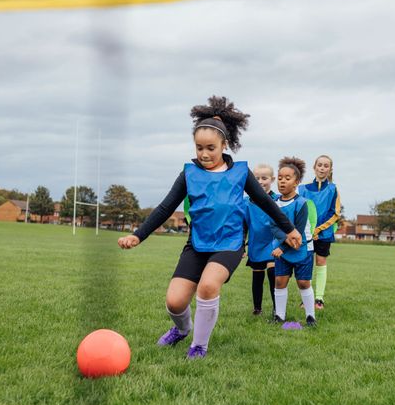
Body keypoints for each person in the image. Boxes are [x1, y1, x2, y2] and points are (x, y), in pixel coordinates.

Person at [118, 96, 302, 358]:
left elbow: (265, 203)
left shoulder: (240, 172)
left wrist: (290, 229)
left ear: (224, 145)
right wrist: (138, 236)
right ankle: (182, 330)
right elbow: (165, 208)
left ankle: (199, 346)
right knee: (175, 301)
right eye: (199, 147)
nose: (204, 154)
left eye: (210, 148)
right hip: (197, 243)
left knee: (207, 286)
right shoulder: (189, 174)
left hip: (229, 243)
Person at [270, 157, 318, 327]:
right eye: (280, 178)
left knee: (303, 283)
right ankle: (279, 316)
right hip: (282, 249)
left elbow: (297, 231)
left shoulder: (302, 203)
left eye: (287, 178)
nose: (282, 181)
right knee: (280, 281)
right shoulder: (274, 203)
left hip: (302, 247)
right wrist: (282, 245)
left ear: (296, 182)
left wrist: (283, 246)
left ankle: (311, 316)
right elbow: (273, 226)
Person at [298, 155, 341, 310]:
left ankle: (319, 299)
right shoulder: (302, 189)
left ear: (330, 169)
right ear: (314, 167)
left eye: (326, 166)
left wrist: (318, 229)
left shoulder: (332, 189)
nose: (322, 168)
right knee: (306, 263)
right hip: (306, 233)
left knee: (321, 263)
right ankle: (306, 299)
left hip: (324, 233)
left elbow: (335, 212)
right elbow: (300, 210)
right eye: (320, 165)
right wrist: (308, 230)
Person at [245, 164, 278, 316]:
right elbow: (243, 225)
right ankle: (257, 308)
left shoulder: (277, 200)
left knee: (273, 273)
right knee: (257, 275)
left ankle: (277, 308)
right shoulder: (247, 202)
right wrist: (241, 245)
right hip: (255, 244)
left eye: (264, 178)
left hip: (273, 243)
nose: (260, 181)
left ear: (272, 179)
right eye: (256, 178)